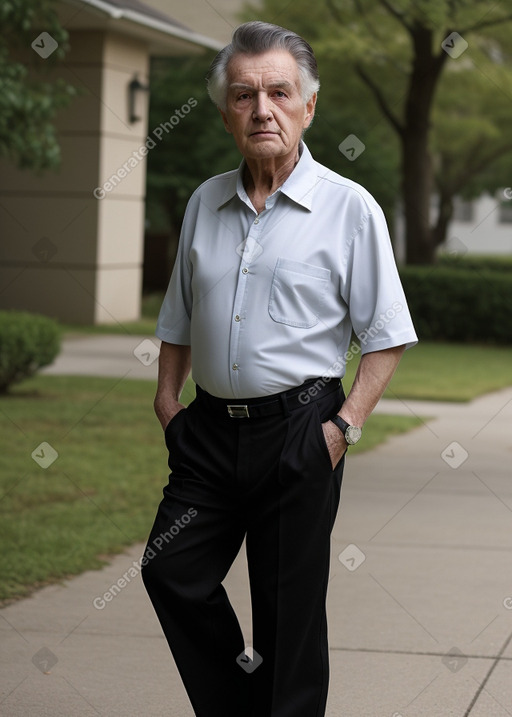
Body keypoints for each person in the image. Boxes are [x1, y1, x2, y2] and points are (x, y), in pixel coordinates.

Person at [142, 20, 418, 717]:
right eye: (244, 94)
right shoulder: (205, 201)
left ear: (308, 106)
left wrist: (342, 427)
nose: (261, 108)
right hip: (205, 433)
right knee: (171, 570)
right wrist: (168, 402)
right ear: (226, 109)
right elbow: (177, 316)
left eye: (278, 92)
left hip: (300, 432)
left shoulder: (349, 208)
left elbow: (386, 335)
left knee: (286, 617)